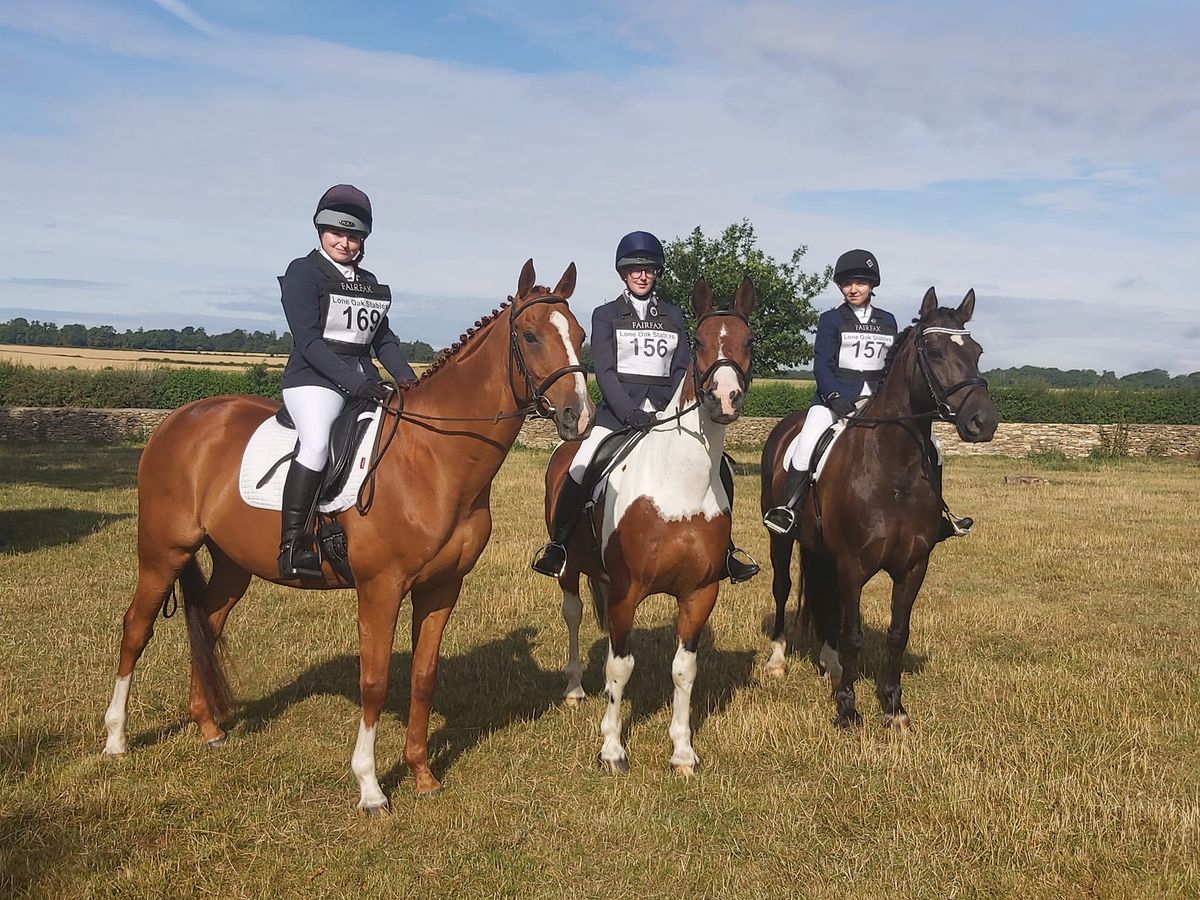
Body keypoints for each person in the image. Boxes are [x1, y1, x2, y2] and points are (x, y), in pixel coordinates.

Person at [531, 231, 759, 582]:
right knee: (579, 465)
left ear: (656, 274)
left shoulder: (672, 314)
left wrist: (666, 411)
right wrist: (631, 413)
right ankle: (559, 545)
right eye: (635, 269)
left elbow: (683, 367)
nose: (642, 275)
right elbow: (605, 371)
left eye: (649, 269)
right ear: (623, 274)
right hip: (619, 415)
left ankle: (726, 550)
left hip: (667, 415)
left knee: (720, 470)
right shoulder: (606, 314)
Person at [763, 249, 972, 539]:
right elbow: (822, 365)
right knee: (805, 446)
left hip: (878, 400)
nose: (853, 289)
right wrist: (834, 396)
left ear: (872, 285)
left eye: (859, 283)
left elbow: (894, 366)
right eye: (846, 283)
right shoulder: (831, 320)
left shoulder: (888, 321)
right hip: (835, 400)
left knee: (933, 448)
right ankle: (790, 510)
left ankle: (938, 514)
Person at [275, 184, 417, 580]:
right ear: (321, 232)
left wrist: (408, 381)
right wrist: (355, 385)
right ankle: (292, 544)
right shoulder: (303, 272)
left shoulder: (368, 280)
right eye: (337, 234)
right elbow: (309, 342)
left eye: (354, 236)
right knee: (318, 442)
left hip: (363, 380)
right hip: (313, 380)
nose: (345, 242)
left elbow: (383, 341)